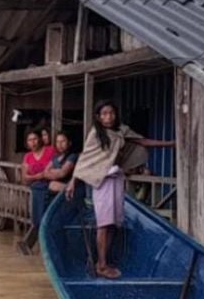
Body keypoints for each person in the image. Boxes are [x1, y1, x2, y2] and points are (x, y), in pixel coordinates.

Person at [68, 101, 173, 279]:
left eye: (111, 113)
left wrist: (169, 144)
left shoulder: (121, 131)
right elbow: (86, 158)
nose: (108, 117)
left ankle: (102, 262)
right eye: (104, 114)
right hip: (102, 181)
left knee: (113, 224)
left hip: (117, 179)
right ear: (98, 117)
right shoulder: (95, 134)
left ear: (116, 115)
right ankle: (101, 265)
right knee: (104, 224)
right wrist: (73, 182)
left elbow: (142, 141)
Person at [19, 128, 56, 241]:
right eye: (30, 140)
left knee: (50, 219)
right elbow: (24, 178)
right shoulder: (28, 157)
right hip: (37, 191)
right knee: (38, 220)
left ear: (40, 139)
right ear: (27, 143)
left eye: (35, 139)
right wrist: (38, 176)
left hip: (52, 189)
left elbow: (58, 166)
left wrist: (41, 176)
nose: (33, 142)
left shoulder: (51, 151)